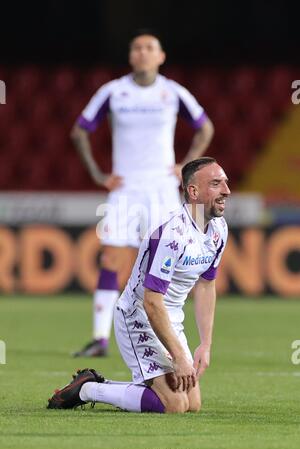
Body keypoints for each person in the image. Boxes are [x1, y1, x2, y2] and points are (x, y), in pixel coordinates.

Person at [71, 30, 214, 357]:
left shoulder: (173, 92)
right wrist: (97, 174)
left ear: (160, 56)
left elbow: (205, 127)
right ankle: (100, 338)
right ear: (131, 55)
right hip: (125, 189)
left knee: (165, 259)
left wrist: (187, 164)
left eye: (150, 48)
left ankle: (166, 332)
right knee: (111, 258)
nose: (143, 52)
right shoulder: (113, 91)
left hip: (162, 189)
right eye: (137, 47)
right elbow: (79, 131)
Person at [47, 157, 230, 413]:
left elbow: (206, 286)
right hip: (139, 316)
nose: (226, 191)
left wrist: (205, 345)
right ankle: (88, 388)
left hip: (170, 319)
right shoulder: (170, 234)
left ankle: (111, 387)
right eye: (216, 183)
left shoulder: (219, 230)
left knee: (193, 405)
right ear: (193, 191)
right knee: (175, 404)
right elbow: (152, 301)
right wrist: (178, 356)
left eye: (225, 183)